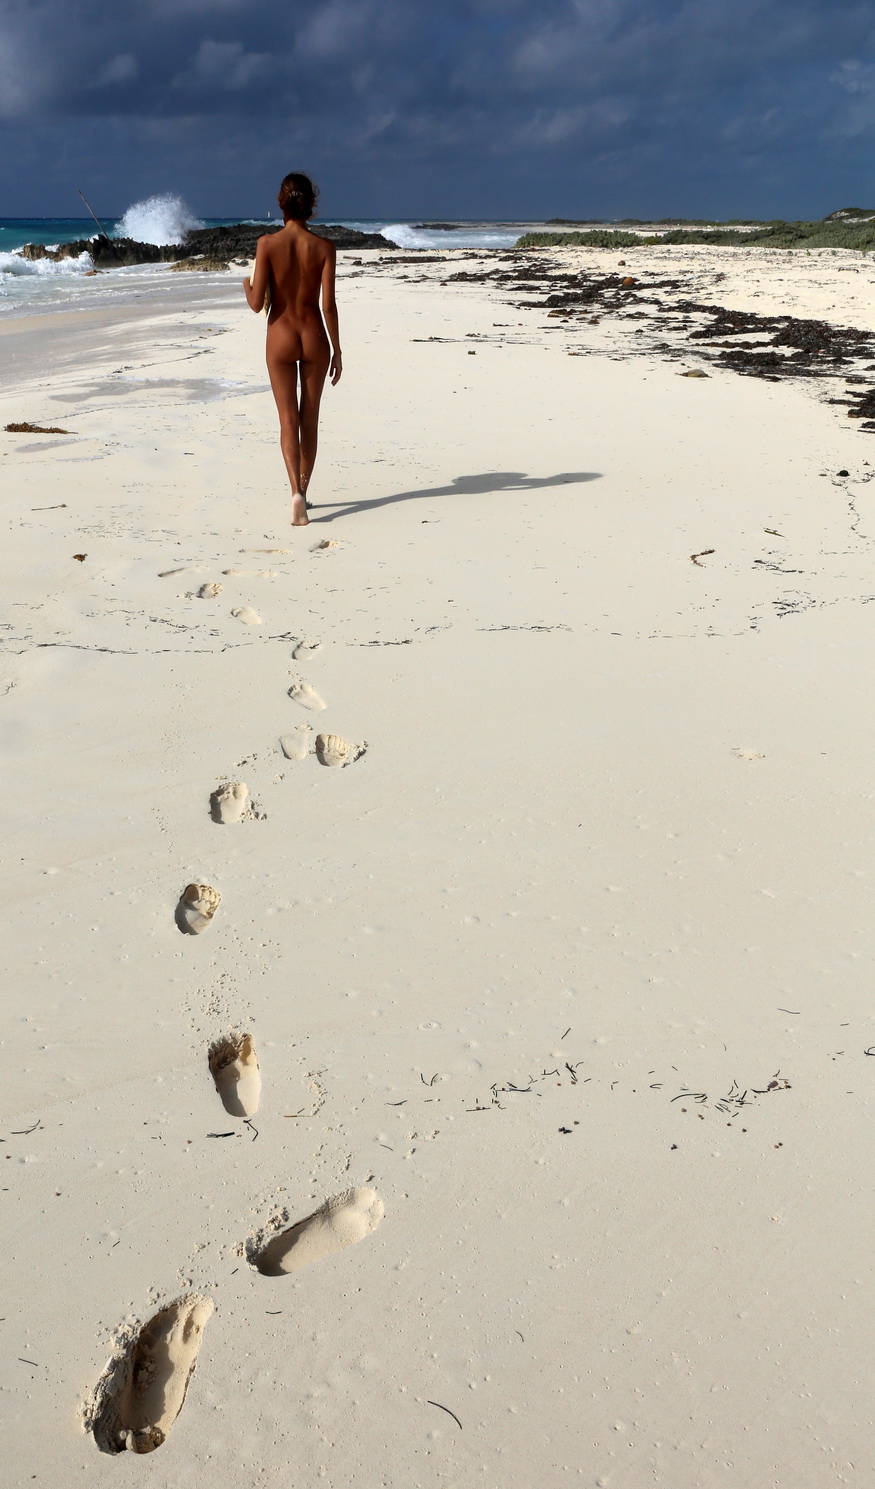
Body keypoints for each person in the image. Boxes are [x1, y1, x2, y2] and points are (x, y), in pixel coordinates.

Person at [244, 173, 342, 526]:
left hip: (281, 336)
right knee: (309, 418)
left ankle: (295, 493)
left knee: (287, 420)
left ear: (280, 203)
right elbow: (328, 305)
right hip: (314, 335)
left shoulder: (267, 244)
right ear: (311, 205)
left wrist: (245, 284)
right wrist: (338, 349)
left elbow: (257, 303)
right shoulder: (325, 248)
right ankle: (305, 488)